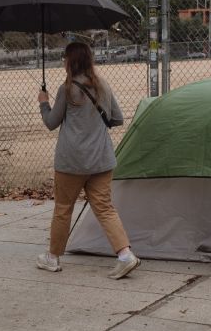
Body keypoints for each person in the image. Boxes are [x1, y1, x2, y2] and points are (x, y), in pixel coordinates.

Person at [37, 42, 139, 279]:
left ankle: (53, 258)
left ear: (70, 62)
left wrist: (43, 102)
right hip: (101, 160)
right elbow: (118, 118)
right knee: (104, 208)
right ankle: (125, 255)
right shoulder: (102, 85)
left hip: (71, 161)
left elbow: (51, 122)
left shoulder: (66, 89)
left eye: (64, 59)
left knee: (63, 208)